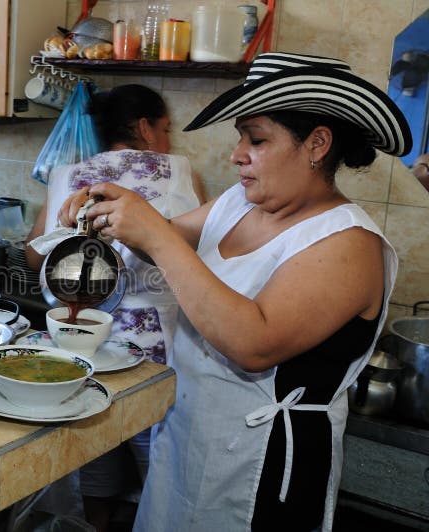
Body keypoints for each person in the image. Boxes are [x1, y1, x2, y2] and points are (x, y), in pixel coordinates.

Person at [57, 53, 410, 531]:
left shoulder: (349, 243)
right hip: (188, 441)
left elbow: (253, 343)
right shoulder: (235, 204)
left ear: (317, 144)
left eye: (257, 139)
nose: (237, 154)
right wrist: (113, 211)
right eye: (241, 137)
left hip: (264, 468)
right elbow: (154, 240)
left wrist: (153, 233)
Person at [25, 84, 202, 531]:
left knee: (92, 448)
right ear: (145, 127)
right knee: (158, 464)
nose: (168, 140)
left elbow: (33, 256)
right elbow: (201, 251)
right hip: (157, 352)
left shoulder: (67, 175)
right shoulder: (180, 171)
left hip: (80, 345)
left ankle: (95, 525)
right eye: (165, 129)